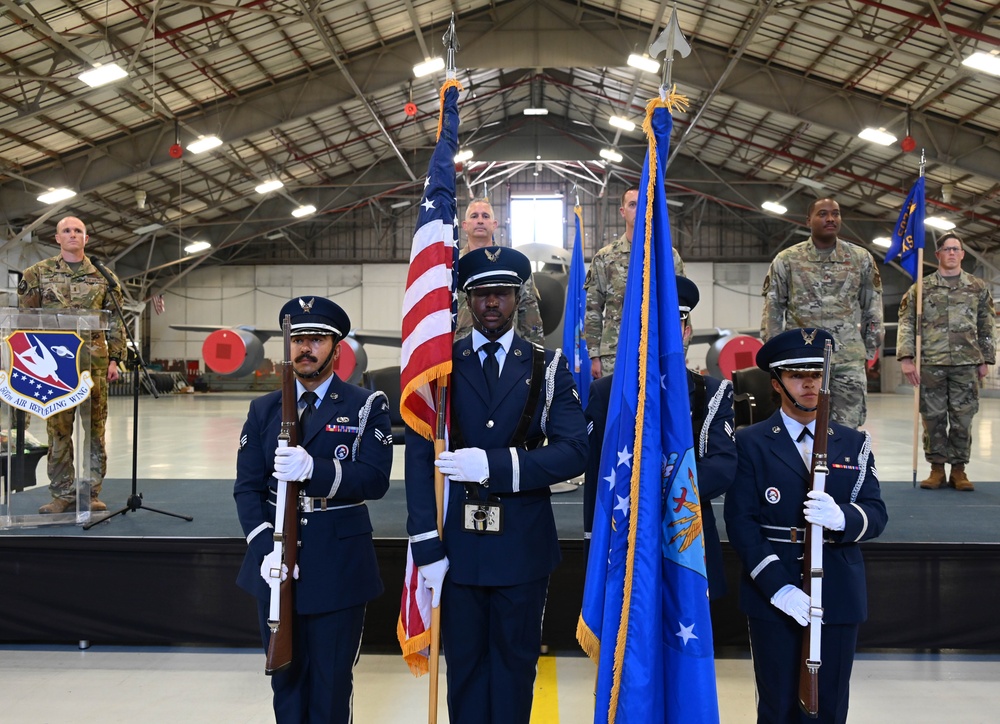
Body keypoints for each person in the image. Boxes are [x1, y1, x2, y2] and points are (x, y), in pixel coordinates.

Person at [404, 246, 588, 724]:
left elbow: (574, 449)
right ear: (466, 299)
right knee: (463, 669)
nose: (491, 303)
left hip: (521, 546)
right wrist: (425, 544)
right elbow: (420, 460)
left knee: (514, 667)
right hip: (455, 546)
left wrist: (494, 467)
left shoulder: (547, 367)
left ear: (517, 297)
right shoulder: (440, 369)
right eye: (481, 294)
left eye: (501, 294)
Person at [234, 296, 393, 724]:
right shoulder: (263, 409)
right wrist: (265, 548)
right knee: (285, 684)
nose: (306, 348)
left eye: (317, 339)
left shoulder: (365, 405)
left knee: (331, 685)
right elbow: (247, 489)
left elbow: (375, 480)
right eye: (298, 339)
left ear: (336, 347)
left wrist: (316, 469)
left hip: (337, 562)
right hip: (275, 565)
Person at [724, 328, 887, 724]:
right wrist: (777, 586)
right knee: (778, 704)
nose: (810, 384)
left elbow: (876, 513)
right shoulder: (751, 443)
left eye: (817, 375)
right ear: (777, 383)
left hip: (837, 589)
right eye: (798, 375)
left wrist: (842, 518)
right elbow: (741, 522)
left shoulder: (852, 443)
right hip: (774, 589)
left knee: (829, 705)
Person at [583, 276, 736, 598]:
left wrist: (656, 487)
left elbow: (722, 466)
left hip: (687, 540)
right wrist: (591, 540)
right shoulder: (606, 394)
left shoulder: (711, 393)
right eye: (653, 324)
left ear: (686, 331)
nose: (662, 335)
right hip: (623, 537)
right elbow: (597, 472)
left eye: (673, 324)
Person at [17, 216, 126, 513]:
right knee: (59, 431)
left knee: (95, 431)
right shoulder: (37, 273)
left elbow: (116, 320)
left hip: (95, 366)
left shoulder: (104, 276)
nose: (73, 234)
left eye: (78, 231)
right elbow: (25, 321)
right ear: (57, 238)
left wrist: (117, 358)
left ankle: (90, 492)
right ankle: (62, 494)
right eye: (67, 231)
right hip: (54, 368)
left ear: (86, 238)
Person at [760, 197, 883, 428]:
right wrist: (777, 357)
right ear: (809, 220)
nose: (830, 219)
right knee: (801, 424)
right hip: (802, 359)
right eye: (823, 214)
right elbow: (773, 311)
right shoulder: (787, 260)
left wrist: (867, 351)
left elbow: (873, 308)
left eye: (835, 214)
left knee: (847, 428)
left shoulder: (860, 259)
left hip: (847, 360)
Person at [897, 233, 996, 491]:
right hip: (931, 363)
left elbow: (986, 324)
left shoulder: (977, 287)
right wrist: (907, 358)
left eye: (956, 249)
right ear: (938, 254)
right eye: (946, 249)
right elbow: (907, 323)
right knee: (933, 419)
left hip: (967, 364)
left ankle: (959, 470)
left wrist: (986, 358)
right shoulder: (921, 287)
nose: (952, 253)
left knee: (963, 419)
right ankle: (937, 469)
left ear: (962, 254)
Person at [584, 186, 685, 379]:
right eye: (633, 205)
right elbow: (593, 309)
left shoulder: (668, 256)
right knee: (615, 407)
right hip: (615, 353)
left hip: (658, 350)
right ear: (623, 211)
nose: (639, 209)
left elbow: (681, 310)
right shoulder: (605, 257)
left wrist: (680, 352)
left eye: (645, 204)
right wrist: (595, 356)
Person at [454, 198, 544, 344]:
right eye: (474, 216)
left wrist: (535, 358)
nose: (480, 220)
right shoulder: (451, 266)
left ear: (494, 224)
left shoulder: (514, 265)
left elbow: (529, 314)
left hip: (504, 350)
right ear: (464, 225)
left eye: (486, 216)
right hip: (459, 351)